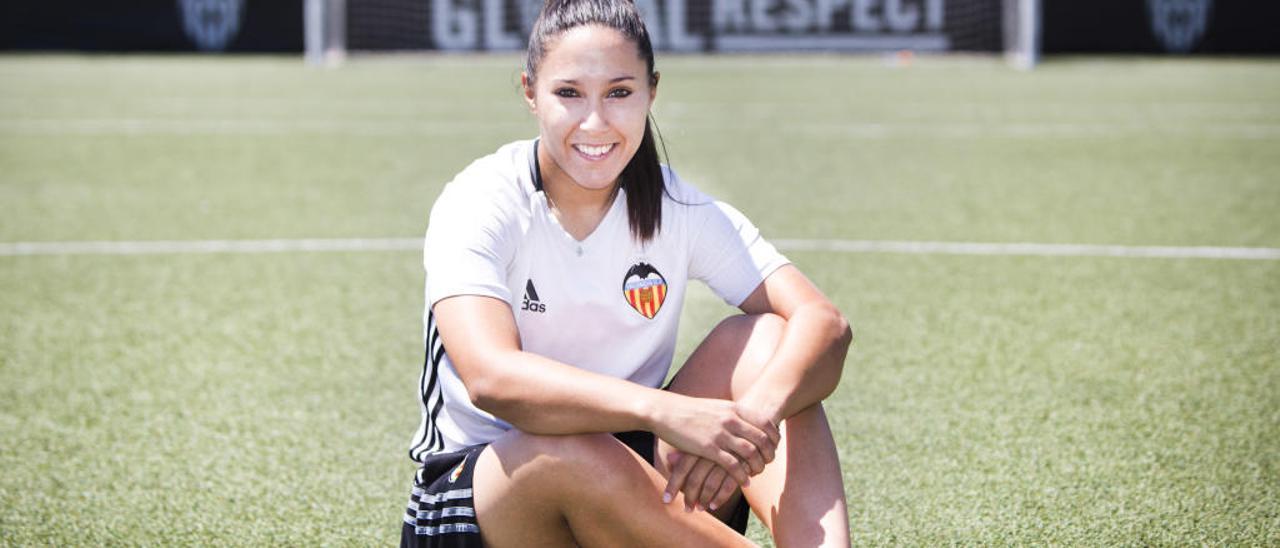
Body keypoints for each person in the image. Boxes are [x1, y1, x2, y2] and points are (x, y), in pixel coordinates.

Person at [400, 0, 853, 545]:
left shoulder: (674, 207)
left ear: (651, 92)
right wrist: (666, 412)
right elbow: (493, 379)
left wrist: (749, 421)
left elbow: (823, 324)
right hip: (485, 495)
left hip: (633, 483)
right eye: (568, 93)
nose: (595, 122)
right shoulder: (483, 199)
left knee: (770, 342)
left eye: (619, 92)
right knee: (569, 449)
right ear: (529, 92)